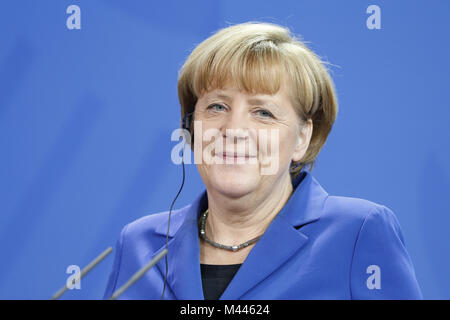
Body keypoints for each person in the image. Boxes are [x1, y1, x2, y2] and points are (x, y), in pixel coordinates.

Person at [103, 21, 422, 300]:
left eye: (263, 112)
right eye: (217, 107)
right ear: (190, 126)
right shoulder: (140, 244)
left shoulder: (357, 233)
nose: (234, 130)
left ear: (301, 137)